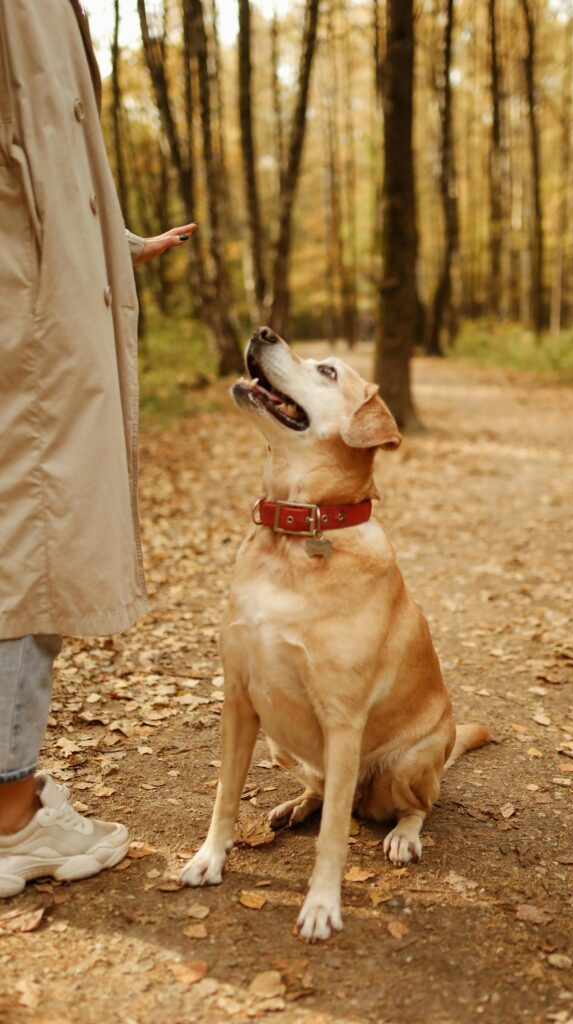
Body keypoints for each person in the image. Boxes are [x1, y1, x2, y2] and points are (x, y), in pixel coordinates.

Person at [0, 0, 197, 897]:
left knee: (30, 538)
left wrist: (109, 246)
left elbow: (42, 158)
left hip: (41, 300)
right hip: (27, 322)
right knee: (29, 547)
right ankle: (11, 817)